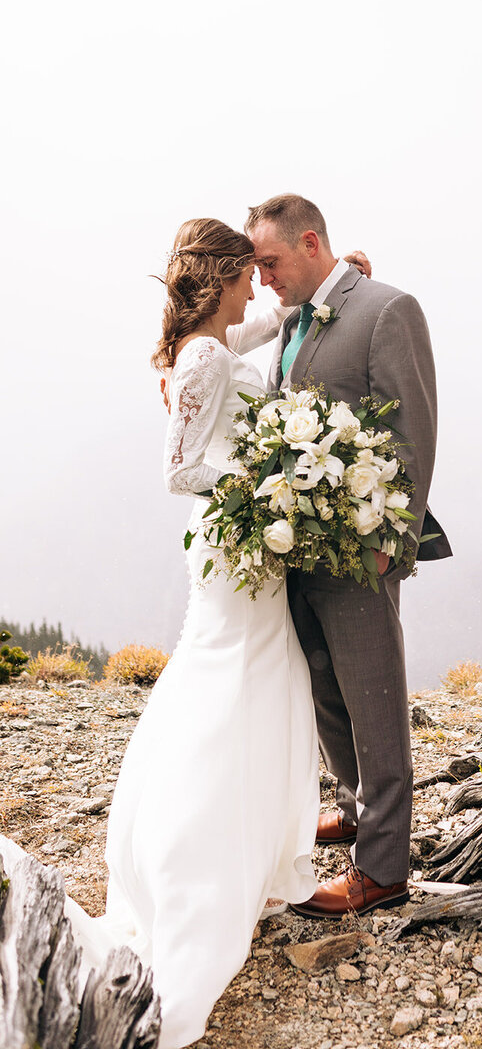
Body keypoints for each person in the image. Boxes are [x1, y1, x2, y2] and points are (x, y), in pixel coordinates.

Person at [0, 217, 370, 1049]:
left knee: (268, 682)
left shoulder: (211, 346)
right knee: (230, 685)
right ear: (224, 276)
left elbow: (270, 326)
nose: (257, 290)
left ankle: (265, 862)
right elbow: (178, 469)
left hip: (248, 545)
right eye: (249, 275)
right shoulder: (204, 358)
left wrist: (336, 274)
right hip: (236, 540)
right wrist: (267, 477)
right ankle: (198, 872)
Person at [246, 193, 452, 918]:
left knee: (374, 700)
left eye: (270, 262)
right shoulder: (294, 320)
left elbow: (413, 436)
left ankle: (384, 867)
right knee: (325, 689)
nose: (264, 277)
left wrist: (390, 549)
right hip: (299, 547)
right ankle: (353, 807)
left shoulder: (388, 310)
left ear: (309, 243)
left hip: (360, 553)